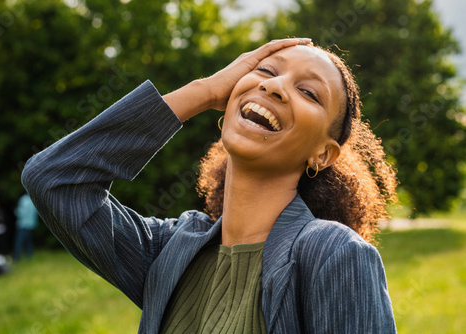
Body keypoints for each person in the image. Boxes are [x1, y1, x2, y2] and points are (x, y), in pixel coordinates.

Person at [22, 39, 398, 333]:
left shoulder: (334, 253)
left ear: (323, 154)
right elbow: (54, 179)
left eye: (309, 92)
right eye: (265, 70)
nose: (276, 87)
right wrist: (204, 91)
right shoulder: (170, 251)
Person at [13, 193, 39, 261]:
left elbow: (21, 213)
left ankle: (16, 258)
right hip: (31, 224)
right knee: (29, 241)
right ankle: (29, 256)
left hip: (23, 224)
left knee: (19, 242)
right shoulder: (33, 200)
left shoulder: (23, 199)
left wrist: (15, 211)